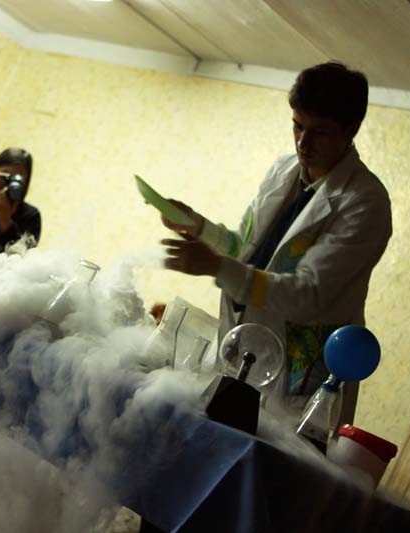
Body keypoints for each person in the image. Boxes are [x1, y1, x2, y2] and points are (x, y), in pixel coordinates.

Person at [160, 62, 392, 421]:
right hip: (245, 349)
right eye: (297, 126)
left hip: (299, 378)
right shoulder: (283, 171)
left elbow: (306, 294)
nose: (303, 143)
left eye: (319, 132)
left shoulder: (365, 202)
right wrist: (199, 227)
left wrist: (217, 267)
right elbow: (244, 249)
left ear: (351, 130)